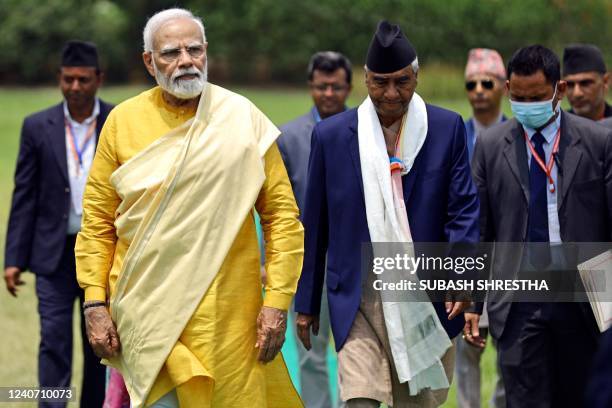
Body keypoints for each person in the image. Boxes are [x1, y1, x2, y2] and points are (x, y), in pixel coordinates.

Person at [74, 8, 304, 408]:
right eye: (170, 53)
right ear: (149, 61)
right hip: (147, 314)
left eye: (194, 49)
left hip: (229, 319)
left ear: (206, 52)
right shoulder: (122, 123)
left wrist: (277, 303)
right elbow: (96, 223)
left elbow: (282, 217)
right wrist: (94, 302)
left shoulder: (241, 119)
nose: (185, 61)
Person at [295, 20, 479, 407]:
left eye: (401, 82)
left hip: (426, 295)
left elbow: (462, 211)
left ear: (416, 76)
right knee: (359, 399)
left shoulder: (446, 129)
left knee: (419, 401)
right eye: (380, 82)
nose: (391, 94)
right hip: (357, 298)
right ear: (364, 79)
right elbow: (316, 226)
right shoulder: (330, 137)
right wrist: (306, 303)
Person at [471, 44, 612, 408]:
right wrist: (473, 301)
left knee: (580, 397)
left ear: (558, 91)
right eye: (518, 98)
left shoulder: (598, 142)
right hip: (518, 299)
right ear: (507, 90)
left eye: (536, 97)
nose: (527, 105)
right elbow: (480, 228)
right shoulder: (490, 146)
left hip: (582, 297)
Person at [3, 40, 110, 407]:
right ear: (59, 80)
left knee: (100, 343)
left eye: (83, 79)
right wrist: (13, 258)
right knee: (53, 339)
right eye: (68, 80)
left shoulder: (118, 121)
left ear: (99, 79)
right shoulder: (37, 126)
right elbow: (24, 195)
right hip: (53, 253)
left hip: (102, 255)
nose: (75, 87)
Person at [277, 50, 352, 408]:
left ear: (349, 87)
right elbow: (276, 210)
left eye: (336, 87)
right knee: (311, 352)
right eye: (322, 87)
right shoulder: (289, 138)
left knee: (359, 351)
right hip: (307, 264)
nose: (328, 94)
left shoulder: (366, 133)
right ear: (310, 87)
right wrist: (271, 261)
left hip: (355, 262)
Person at [456, 48, 507, 408]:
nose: (478, 90)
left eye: (487, 82)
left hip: (508, 260)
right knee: (465, 354)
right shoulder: (454, 135)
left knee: (511, 356)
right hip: (464, 259)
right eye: (471, 83)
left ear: (503, 86)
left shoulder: (518, 135)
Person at [562, 43, 611, 121]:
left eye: (585, 83)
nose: (576, 93)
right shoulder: (557, 128)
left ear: (605, 82)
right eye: (570, 85)